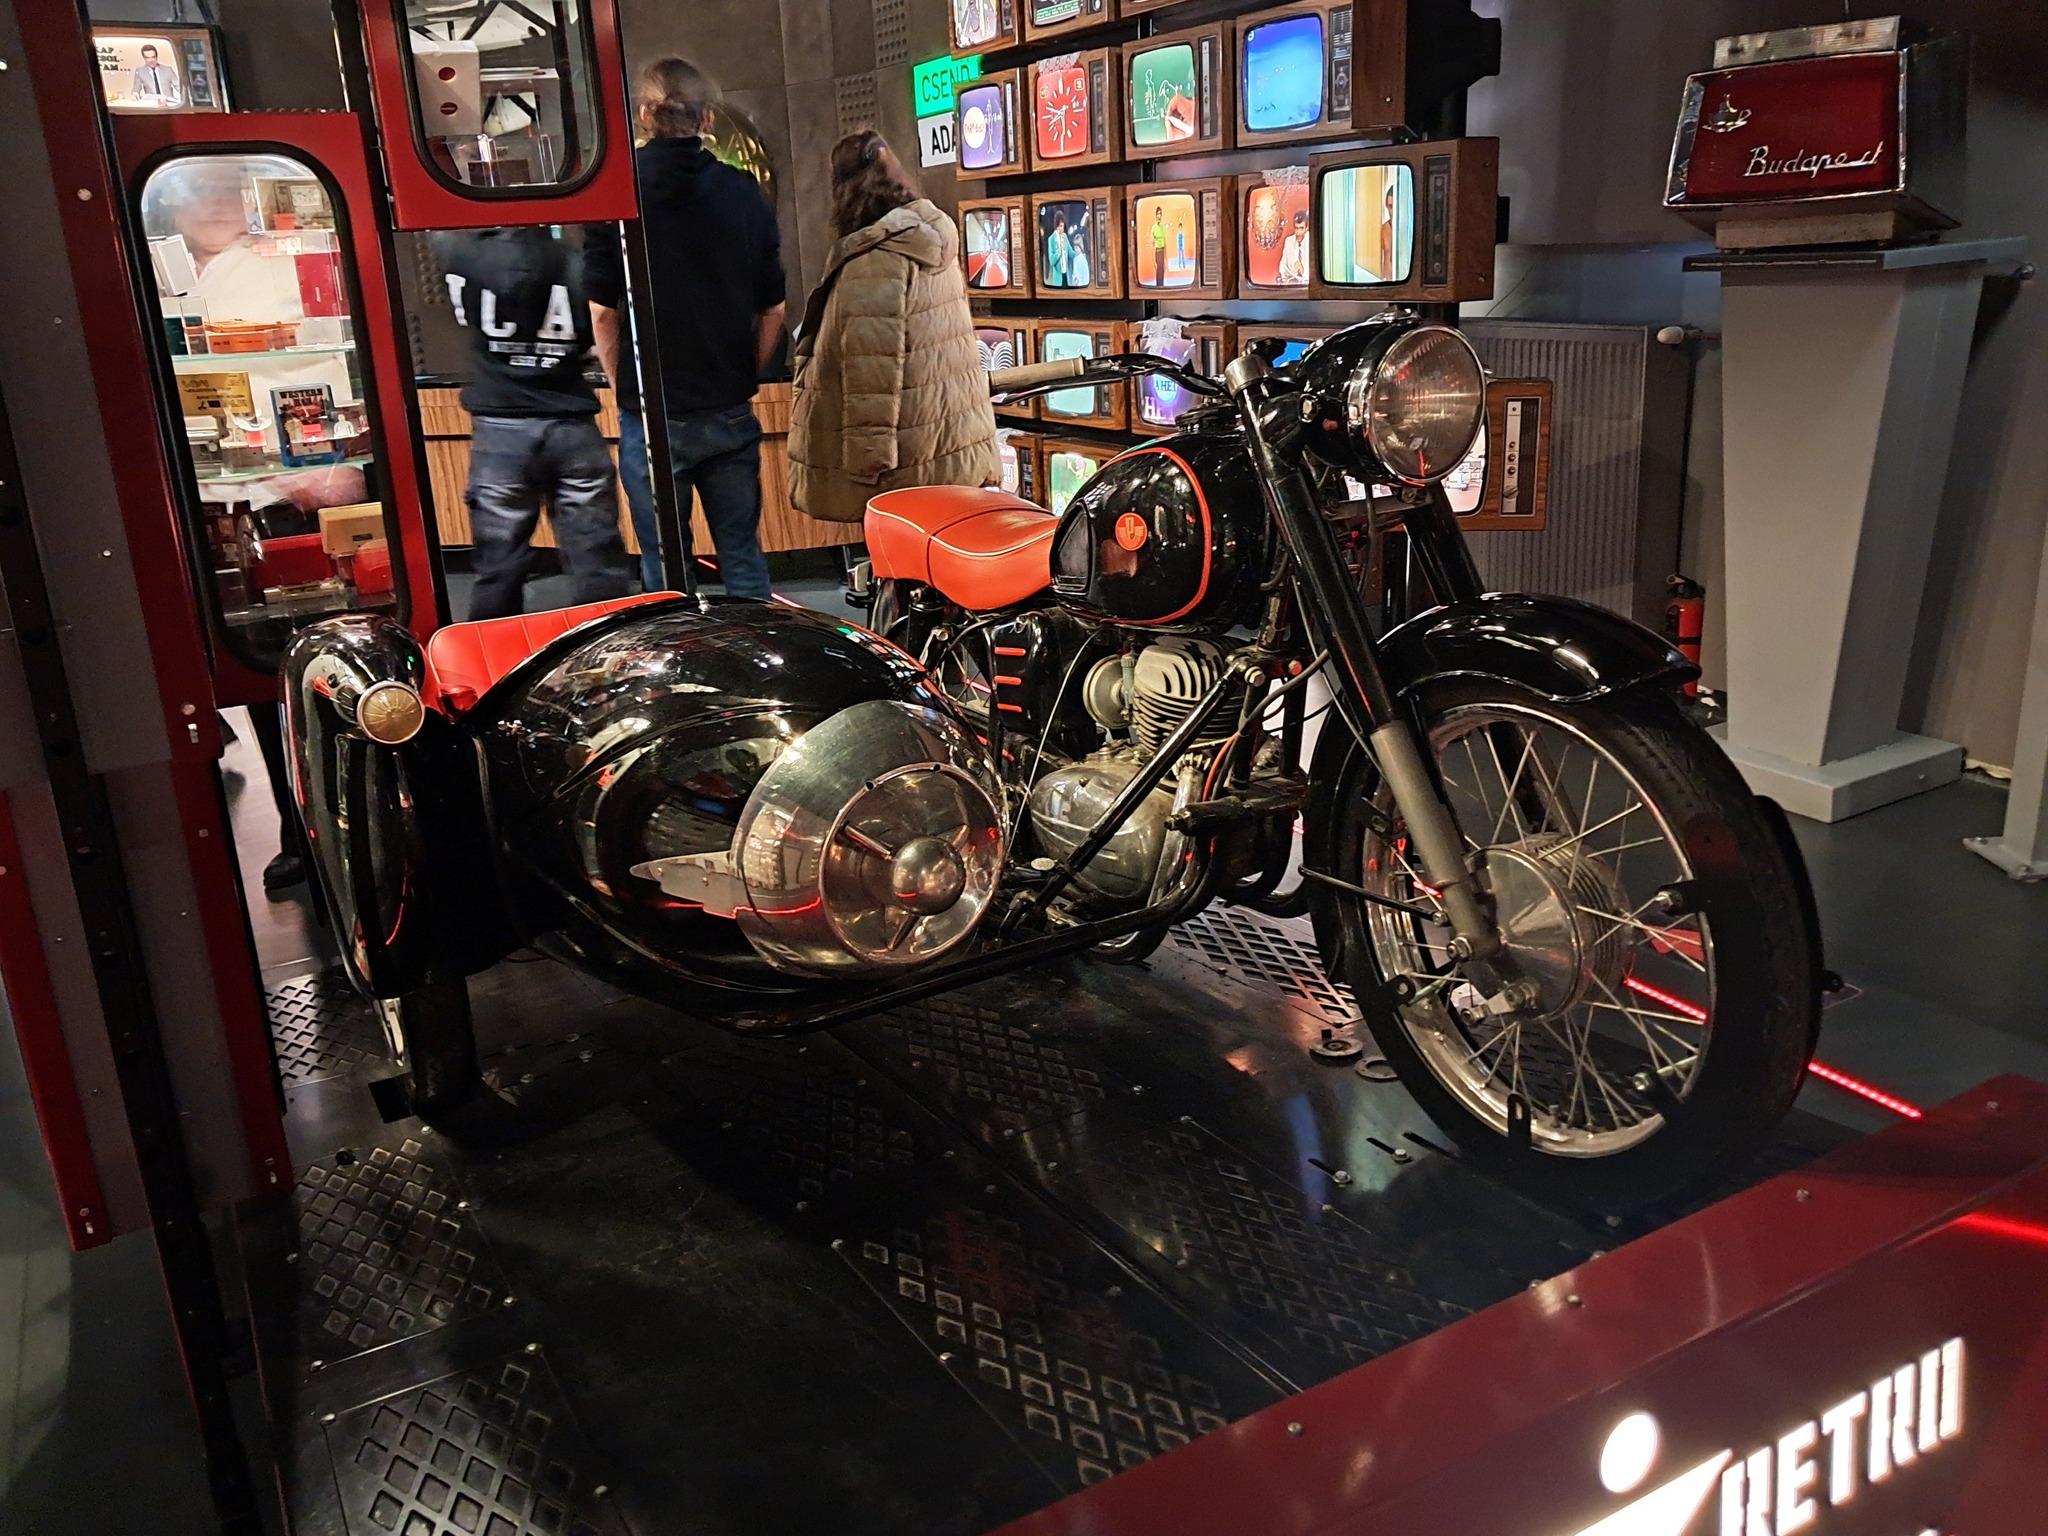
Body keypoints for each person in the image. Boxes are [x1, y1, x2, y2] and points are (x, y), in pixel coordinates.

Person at [586, 59, 783, 601]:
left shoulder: (615, 197)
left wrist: (624, 385)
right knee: (742, 554)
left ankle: (680, 653)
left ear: (644, 116)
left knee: (665, 566)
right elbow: (774, 310)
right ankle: (758, 650)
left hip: (652, 415)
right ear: (708, 119)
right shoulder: (744, 192)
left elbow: (602, 312)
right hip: (727, 406)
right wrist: (743, 375)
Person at [787, 131, 998, 525]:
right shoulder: (929, 241)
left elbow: (871, 376)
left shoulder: (876, 261)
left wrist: (867, 469)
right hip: (951, 448)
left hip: (906, 466)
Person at [434, 225, 630, 620]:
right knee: (597, 558)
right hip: (571, 423)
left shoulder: (465, 257)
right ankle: (605, 645)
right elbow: (598, 321)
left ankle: (493, 649)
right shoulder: (576, 262)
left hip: (500, 426)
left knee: (500, 563)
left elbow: (438, 239)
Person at [1150, 205, 1169, 288]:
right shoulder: (1153, 228)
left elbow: (1165, 244)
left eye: (1160, 214)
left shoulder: (1163, 227)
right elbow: (1152, 245)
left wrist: (1166, 259)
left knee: (1163, 271)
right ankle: (1158, 287)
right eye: (1157, 214)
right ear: (1155, 215)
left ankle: (1162, 287)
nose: (1159, 215)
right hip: (1157, 252)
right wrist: (1153, 260)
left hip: (1162, 251)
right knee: (1159, 272)